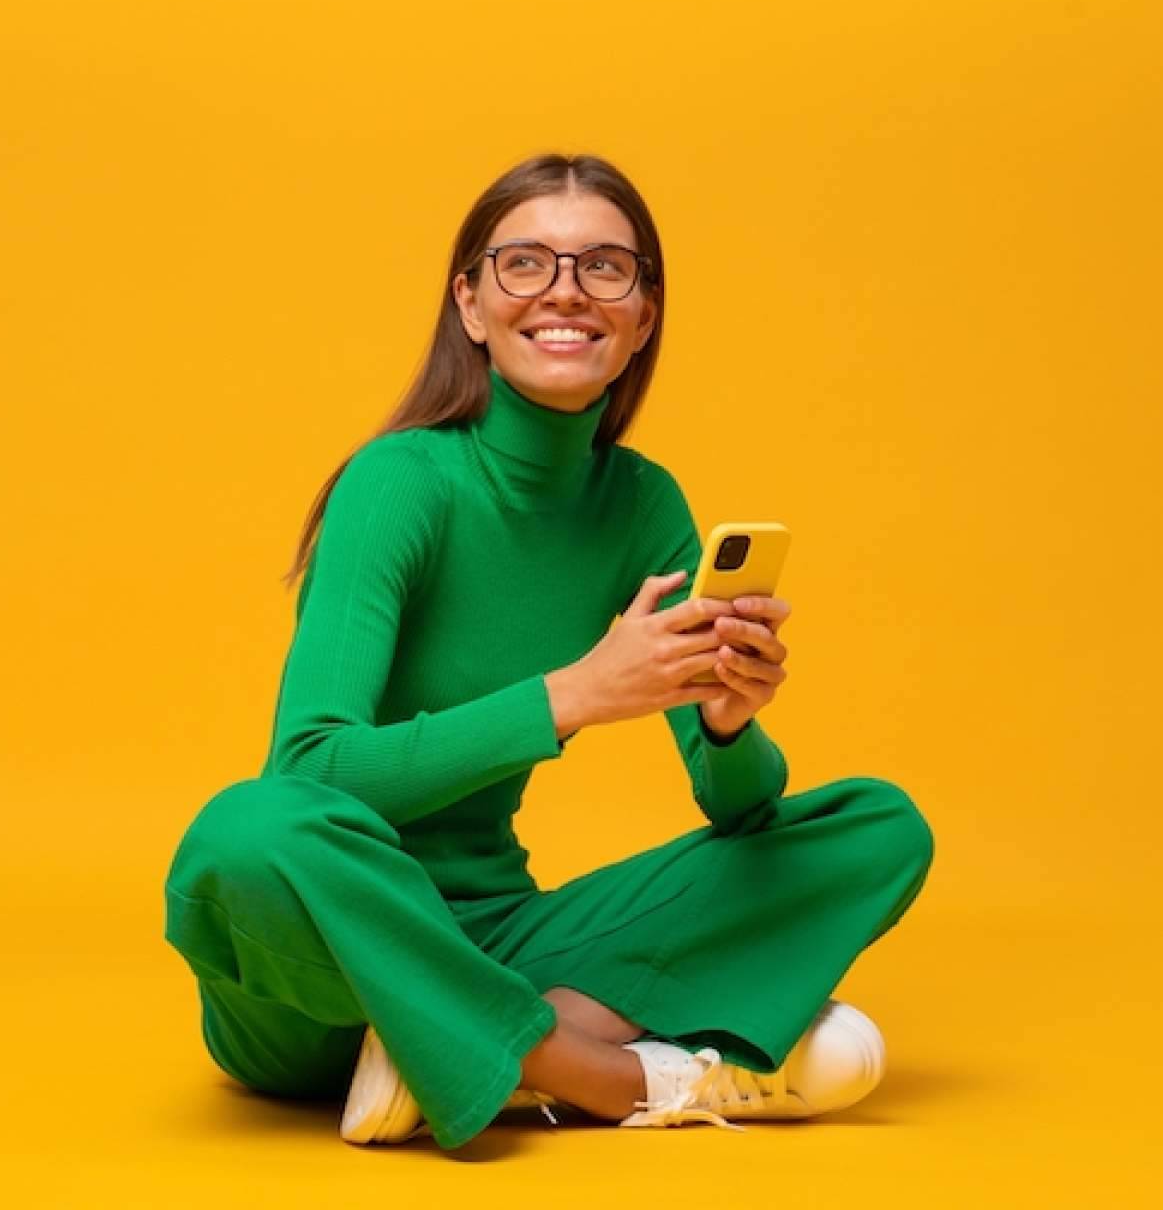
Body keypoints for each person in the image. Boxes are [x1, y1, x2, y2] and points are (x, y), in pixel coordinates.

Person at [161, 152, 934, 1151]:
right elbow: (311, 770)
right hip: (321, 966)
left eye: (604, 267)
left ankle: (448, 1045)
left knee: (877, 826)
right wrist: (573, 694)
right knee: (247, 829)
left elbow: (740, 814)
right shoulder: (401, 482)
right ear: (471, 305)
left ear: (642, 317)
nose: (565, 292)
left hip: (501, 939)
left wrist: (726, 724)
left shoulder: (642, 504)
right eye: (525, 263)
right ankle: (598, 1071)